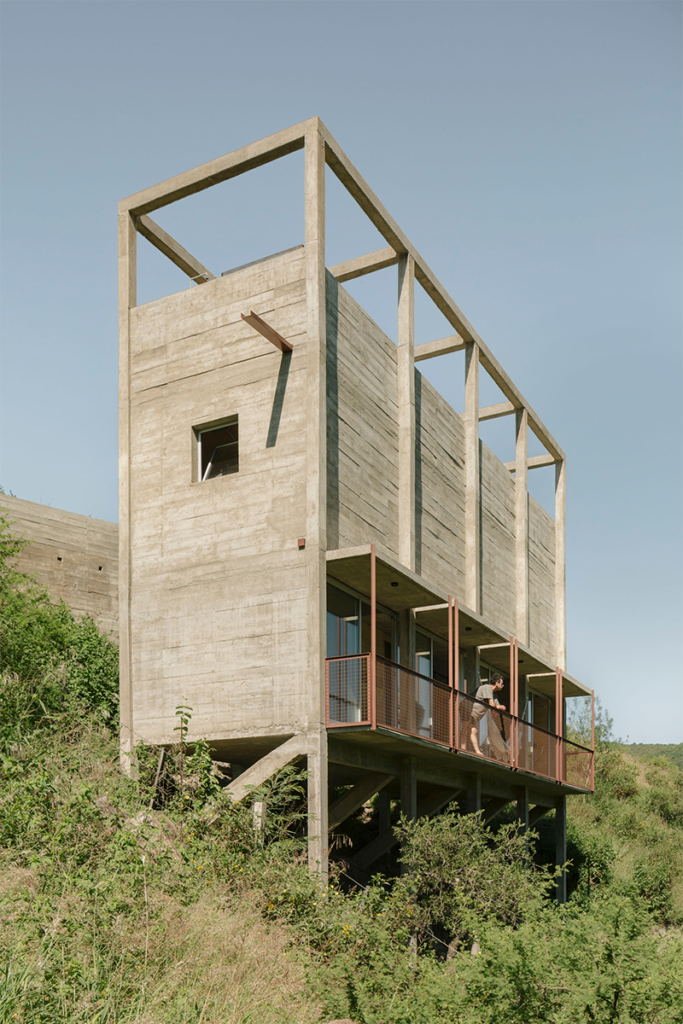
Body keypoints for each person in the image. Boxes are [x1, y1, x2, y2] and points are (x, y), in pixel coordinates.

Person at [470, 675, 506, 758]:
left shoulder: (494, 694)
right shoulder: (487, 688)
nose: (503, 685)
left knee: (473, 731)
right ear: (496, 683)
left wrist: (499, 708)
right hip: (468, 708)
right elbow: (492, 705)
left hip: (475, 715)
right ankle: (467, 749)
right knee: (469, 729)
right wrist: (499, 707)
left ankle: (475, 750)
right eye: (501, 684)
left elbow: (495, 710)